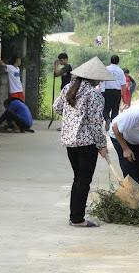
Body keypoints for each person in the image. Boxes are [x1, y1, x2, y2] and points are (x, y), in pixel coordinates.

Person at [53, 57, 113, 228]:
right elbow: (95, 124)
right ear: (93, 78)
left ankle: (75, 216)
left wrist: (71, 116)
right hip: (87, 144)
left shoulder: (68, 88)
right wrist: (102, 145)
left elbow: (57, 107)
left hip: (70, 142)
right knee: (84, 181)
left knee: (78, 178)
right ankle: (78, 219)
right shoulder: (94, 95)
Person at [102, 55, 126, 131]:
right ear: (118, 61)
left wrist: (102, 92)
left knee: (105, 109)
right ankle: (113, 126)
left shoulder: (106, 69)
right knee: (115, 109)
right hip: (117, 92)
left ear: (110, 61)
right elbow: (123, 84)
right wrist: (123, 96)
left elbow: (102, 81)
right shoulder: (120, 71)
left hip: (107, 91)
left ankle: (107, 118)